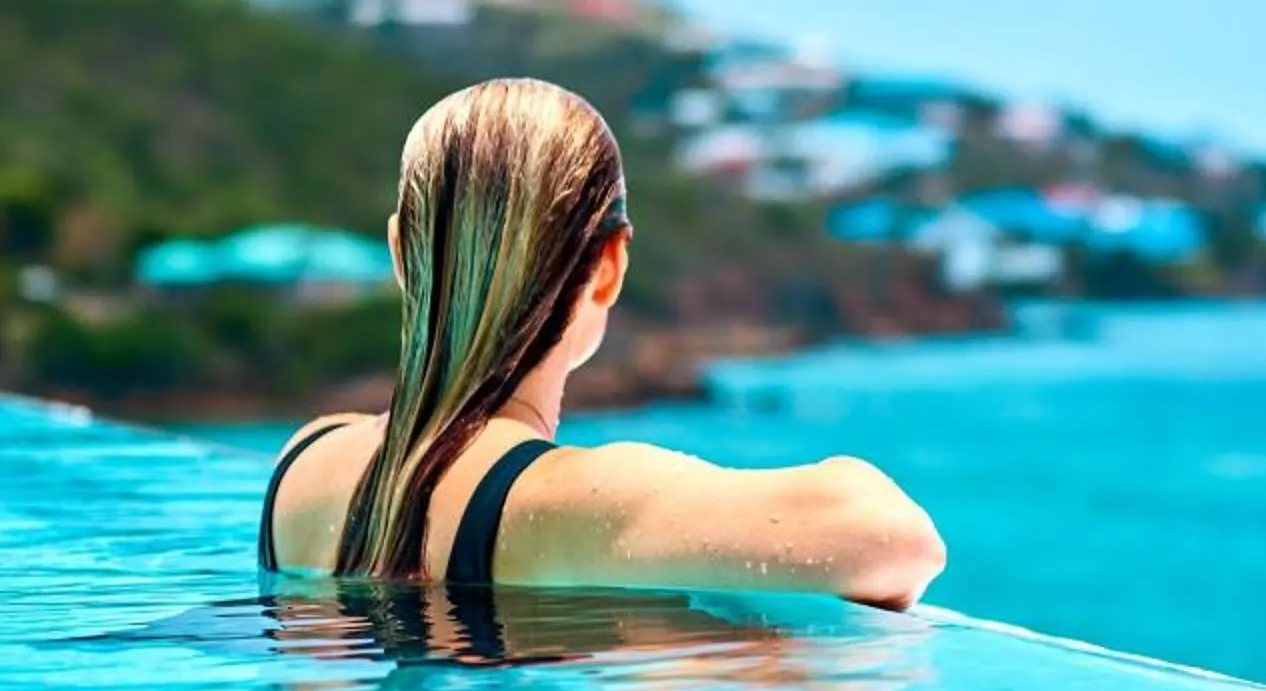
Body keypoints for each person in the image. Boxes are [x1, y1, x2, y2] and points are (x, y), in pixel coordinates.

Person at [258, 77, 945, 609]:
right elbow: (888, 535)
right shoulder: (566, 501)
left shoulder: (304, 462)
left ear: (401, 255)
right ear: (610, 264)